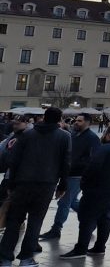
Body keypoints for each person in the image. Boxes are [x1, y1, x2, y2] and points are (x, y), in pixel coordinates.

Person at [0, 107, 71, 266]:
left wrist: (11, 183)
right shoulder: (64, 137)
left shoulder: (27, 134)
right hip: (46, 184)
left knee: (14, 220)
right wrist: (62, 185)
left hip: (23, 183)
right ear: (59, 119)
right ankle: (26, 258)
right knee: (35, 221)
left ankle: (5, 258)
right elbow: (65, 163)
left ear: (44, 117)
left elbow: (14, 160)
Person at [57, 125, 110, 258]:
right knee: (105, 217)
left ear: (108, 135)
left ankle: (80, 249)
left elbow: (93, 167)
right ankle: (100, 246)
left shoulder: (105, 148)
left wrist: (84, 183)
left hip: (97, 188)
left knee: (87, 218)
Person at [39, 113, 100, 241]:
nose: (76, 122)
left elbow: (93, 158)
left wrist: (75, 164)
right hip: (67, 172)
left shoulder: (92, 138)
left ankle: (56, 229)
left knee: (64, 202)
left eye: (80, 121)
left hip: (77, 175)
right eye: (76, 120)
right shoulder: (72, 134)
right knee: (71, 201)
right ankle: (91, 218)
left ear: (88, 122)